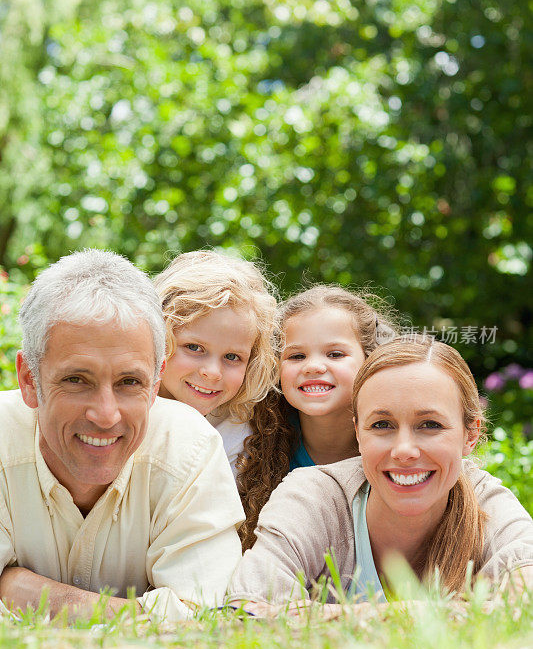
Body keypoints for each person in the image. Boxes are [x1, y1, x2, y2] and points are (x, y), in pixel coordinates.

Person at [0, 250, 244, 622]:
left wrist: (28, 592)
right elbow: (176, 620)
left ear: (156, 381)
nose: (106, 414)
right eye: (76, 380)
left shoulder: (187, 448)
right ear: (30, 380)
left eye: (130, 382)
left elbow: (203, 618)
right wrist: (142, 617)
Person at [228, 337, 533, 611]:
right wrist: (438, 614)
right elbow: (249, 607)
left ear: (470, 435)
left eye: (430, 425)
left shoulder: (485, 500)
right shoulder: (314, 496)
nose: (404, 450)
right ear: (358, 433)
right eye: (382, 425)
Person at [237, 285, 398, 550]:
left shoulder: (398, 446)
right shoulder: (255, 444)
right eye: (296, 355)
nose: (313, 366)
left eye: (335, 354)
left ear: (371, 359)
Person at [153, 250, 278, 474]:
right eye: (194, 348)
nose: (212, 372)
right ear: (159, 338)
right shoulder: (123, 411)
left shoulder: (237, 436)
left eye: (232, 357)